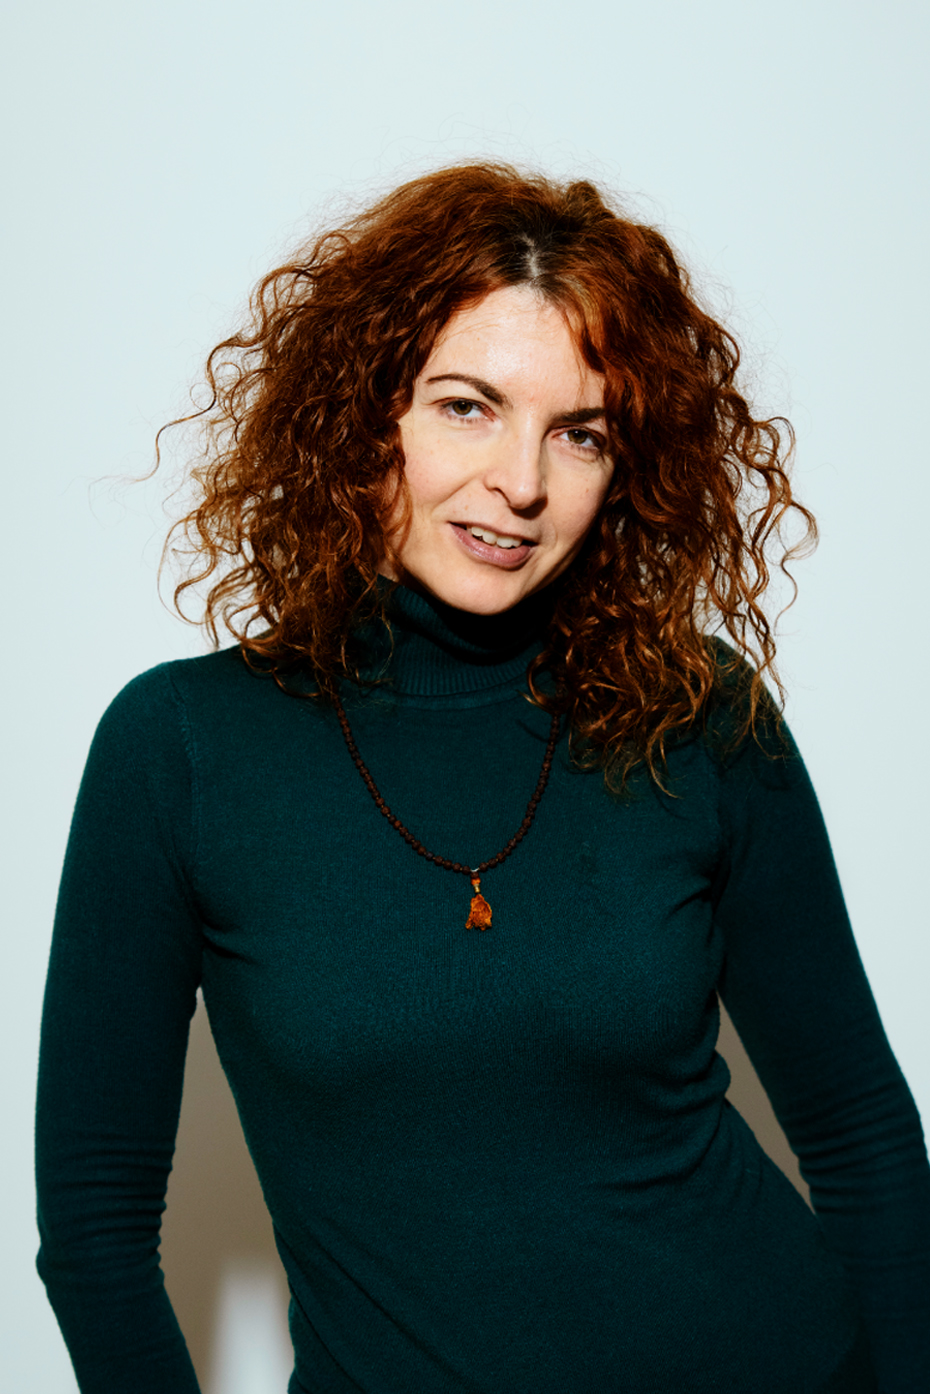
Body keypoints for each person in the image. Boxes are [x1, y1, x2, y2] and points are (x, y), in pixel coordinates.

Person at [35, 163, 930, 1394]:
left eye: (580, 432)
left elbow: (860, 1131)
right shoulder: (182, 748)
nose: (522, 480)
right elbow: (94, 1223)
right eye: (468, 406)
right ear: (368, 413)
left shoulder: (693, 709)